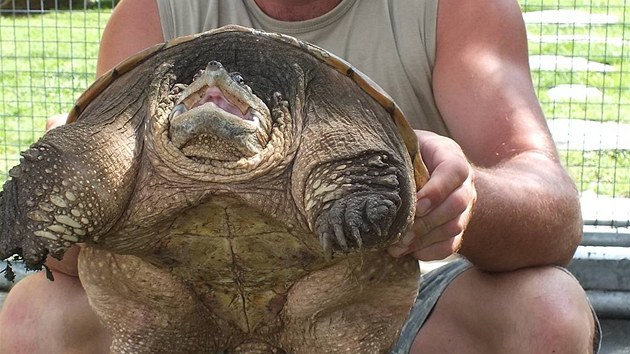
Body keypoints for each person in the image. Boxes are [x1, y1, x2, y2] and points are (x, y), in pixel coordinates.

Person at [0, 0, 601, 352]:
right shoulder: (155, 11)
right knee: (28, 319)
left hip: (361, 311)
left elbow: (554, 213)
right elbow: (71, 265)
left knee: (548, 311)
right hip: (173, 313)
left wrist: (459, 199)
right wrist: (58, 203)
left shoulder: (455, 9)